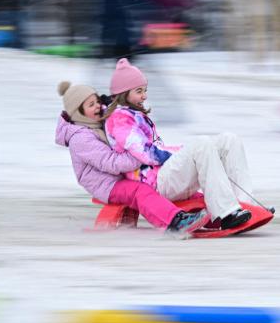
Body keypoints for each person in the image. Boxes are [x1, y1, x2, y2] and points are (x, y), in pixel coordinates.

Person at [104, 58, 271, 230]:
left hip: (165, 175)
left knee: (229, 141)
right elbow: (146, 153)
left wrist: (181, 152)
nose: (144, 96)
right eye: (139, 91)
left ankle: (246, 205)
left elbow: (157, 150)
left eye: (145, 90)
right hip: (155, 184)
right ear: (124, 94)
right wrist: (181, 152)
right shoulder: (119, 119)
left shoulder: (134, 115)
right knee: (201, 144)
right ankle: (226, 213)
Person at [55, 81, 209, 238]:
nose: (97, 106)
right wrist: (141, 155)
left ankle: (217, 215)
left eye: (97, 101)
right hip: (106, 184)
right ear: (78, 113)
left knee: (172, 185)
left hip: (123, 173)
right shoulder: (80, 139)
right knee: (140, 191)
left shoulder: (97, 119)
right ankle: (174, 222)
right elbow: (110, 162)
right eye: (91, 104)